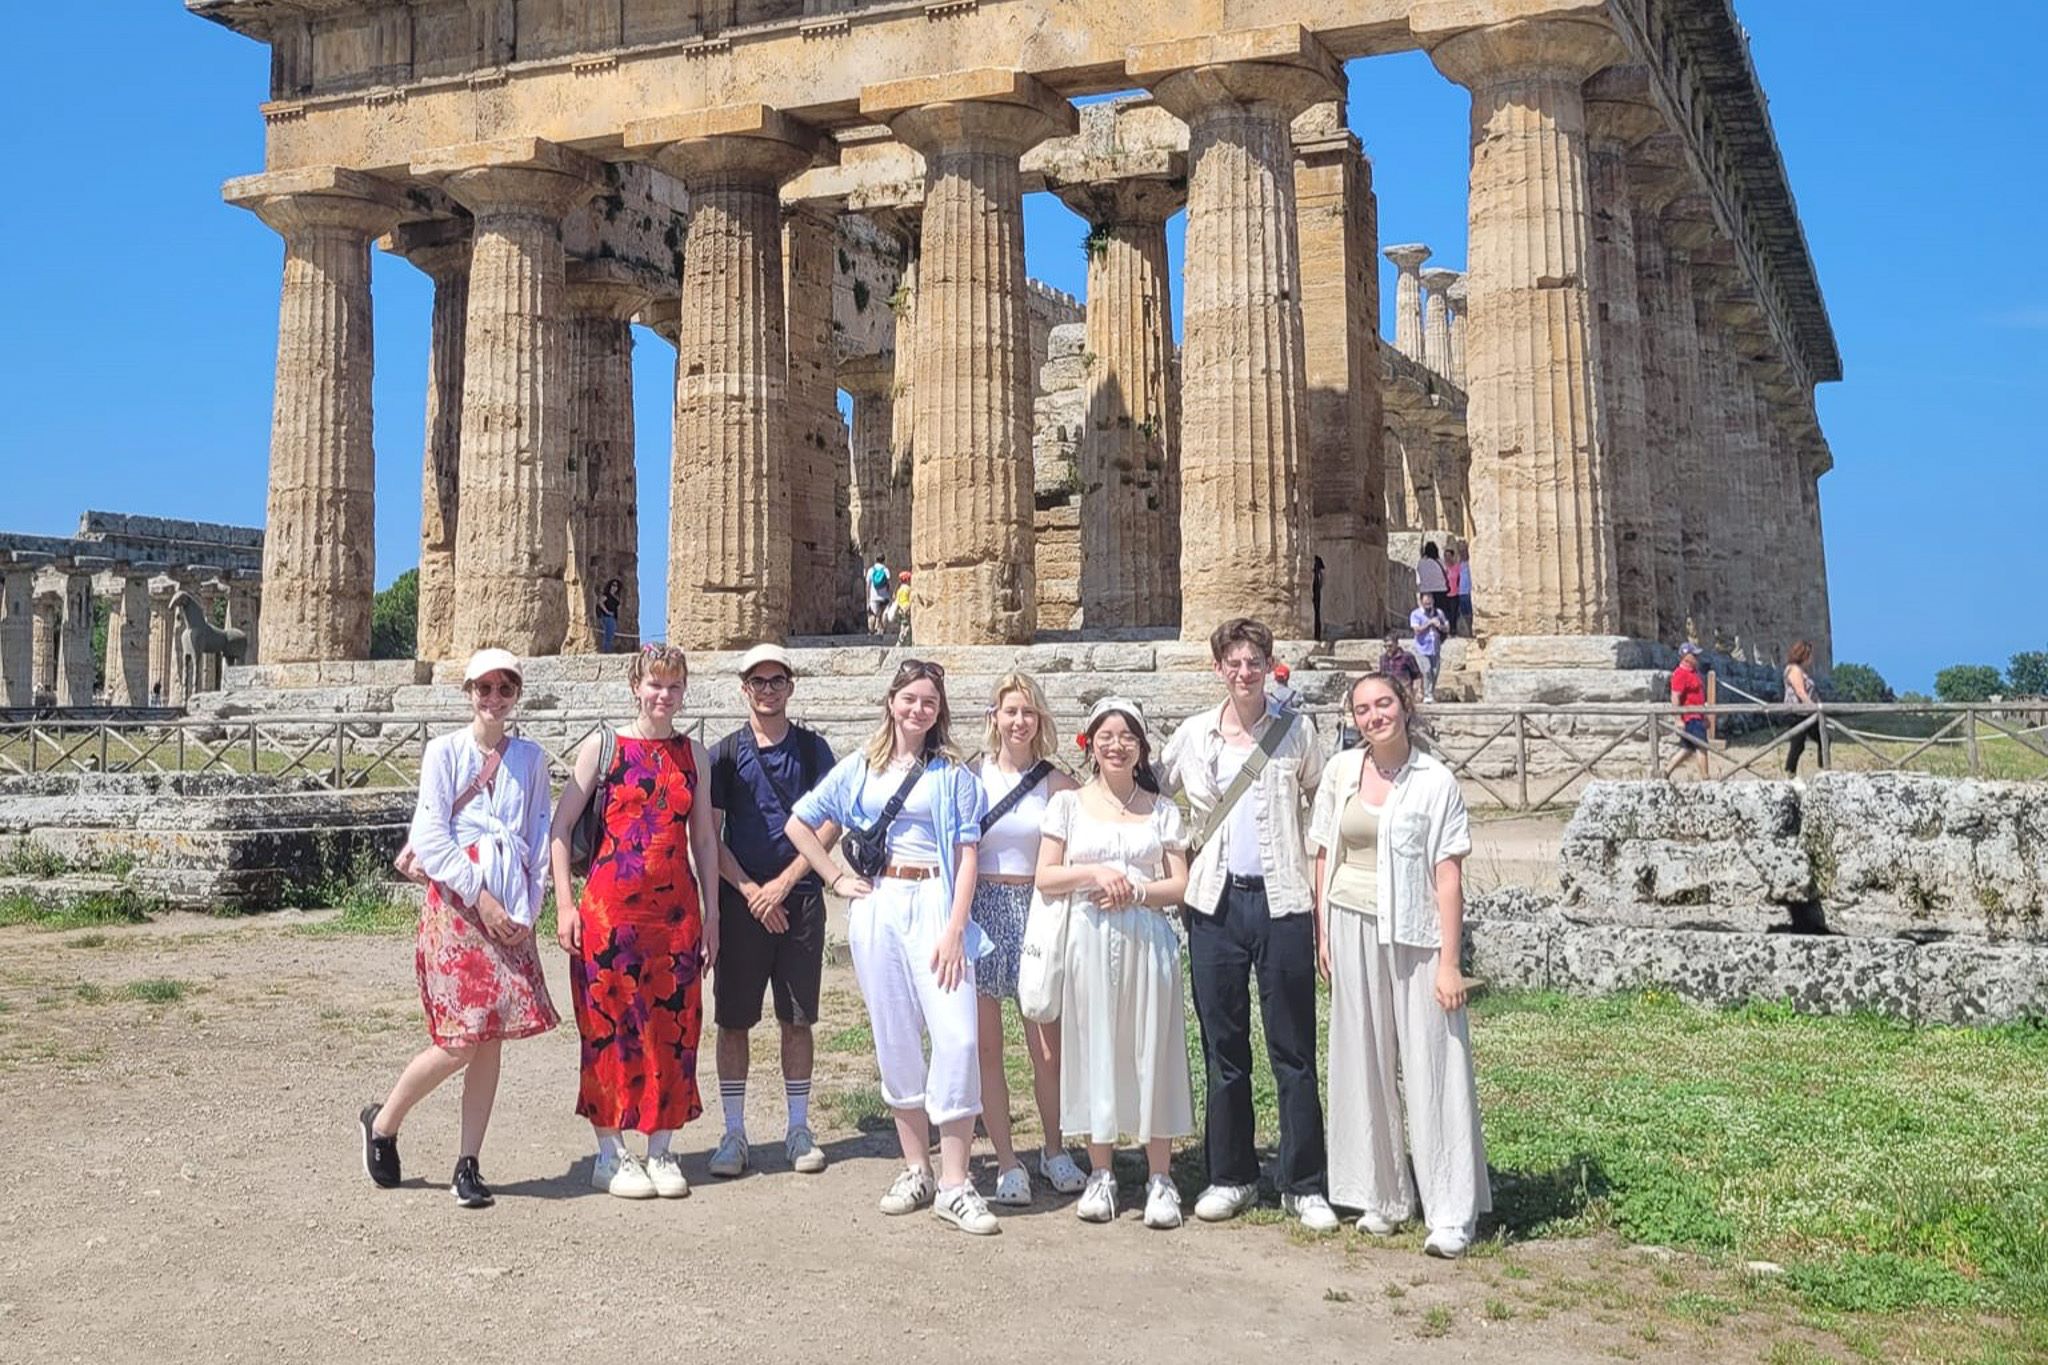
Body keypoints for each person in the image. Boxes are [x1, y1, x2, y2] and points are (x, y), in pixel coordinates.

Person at [785, 658, 999, 1235]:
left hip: (936, 902)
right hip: (878, 904)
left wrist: (956, 927)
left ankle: (956, 1182)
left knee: (957, 1037)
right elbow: (800, 824)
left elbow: (967, 855)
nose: (918, 709)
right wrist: (834, 877)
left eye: (929, 702)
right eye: (910, 699)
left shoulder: (953, 773)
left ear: (939, 711)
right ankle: (916, 1169)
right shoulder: (861, 767)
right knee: (895, 1036)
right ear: (891, 702)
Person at [360, 648, 558, 1210]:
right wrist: (482, 896)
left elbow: (539, 835)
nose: (494, 699)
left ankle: (469, 1163)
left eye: (505, 689)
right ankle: (384, 1122)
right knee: (460, 1040)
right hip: (457, 906)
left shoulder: (532, 759)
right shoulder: (444, 752)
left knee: (489, 1037)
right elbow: (430, 832)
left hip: (510, 912)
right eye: (484, 689)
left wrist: (530, 905)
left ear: (517, 695)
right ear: (469, 693)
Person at [1157, 618, 1338, 1232]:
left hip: (1284, 902)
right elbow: (1151, 800)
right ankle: (1230, 1175)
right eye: (1233, 663)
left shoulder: (1298, 733)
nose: (1243, 672)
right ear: (1218, 669)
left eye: (1253, 661)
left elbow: (1326, 802)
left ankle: (1303, 1182)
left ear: (1269, 665)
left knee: (1294, 1050)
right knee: (1223, 1048)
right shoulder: (1191, 735)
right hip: (1214, 905)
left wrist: (1324, 879)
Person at [1310, 670, 1489, 1257]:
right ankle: (1380, 1194)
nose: (1373, 716)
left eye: (1383, 703)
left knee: (1434, 1060)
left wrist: (1449, 961)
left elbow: (1448, 875)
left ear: (1405, 706)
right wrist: (1322, 932)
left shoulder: (1435, 781)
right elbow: (1323, 854)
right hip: (1350, 921)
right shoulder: (1340, 772)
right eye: (1362, 708)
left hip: (1414, 931)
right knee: (1362, 1059)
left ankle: (1451, 1210)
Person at [549, 644, 720, 1200]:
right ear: (635, 686)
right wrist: (565, 906)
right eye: (655, 684)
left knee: (674, 1028)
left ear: (684, 690)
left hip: (673, 916)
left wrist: (713, 913)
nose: (664, 695)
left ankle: (662, 1149)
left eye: (673, 686)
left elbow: (704, 841)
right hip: (607, 912)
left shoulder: (693, 753)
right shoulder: (604, 746)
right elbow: (560, 828)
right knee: (607, 1027)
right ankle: (610, 1152)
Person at [1035, 697, 1195, 1229]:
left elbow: (1180, 884)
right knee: (1094, 1044)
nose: (1116, 744)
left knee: (1153, 1048)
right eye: (1106, 735)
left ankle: (1159, 1177)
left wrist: (1137, 891)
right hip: (1088, 934)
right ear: (1091, 743)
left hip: (1147, 936)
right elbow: (1047, 876)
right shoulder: (1068, 805)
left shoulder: (1162, 809)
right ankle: (1101, 1171)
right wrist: (1096, 875)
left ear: (1140, 746)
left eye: (1127, 735)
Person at [707, 644, 838, 1179]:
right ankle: (734, 1132)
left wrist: (783, 884)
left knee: (796, 1019)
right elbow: (709, 835)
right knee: (733, 1020)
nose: (767, 690)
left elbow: (831, 821)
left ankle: (798, 1127)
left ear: (791, 686)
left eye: (776, 681)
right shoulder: (723, 753)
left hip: (799, 898)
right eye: (757, 682)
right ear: (744, 689)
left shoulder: (813, 750)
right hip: (742, 903)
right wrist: (750, 891)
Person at [968, 673, 1083, 1205]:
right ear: (994, 716)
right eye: (1010, 711)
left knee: (1046, 1049)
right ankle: (1007, 1162)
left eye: (1029, 712)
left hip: (1038, 909)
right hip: (982, 907)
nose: (1019, 721)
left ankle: (1054, 1149)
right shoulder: (970, 775)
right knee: (987, 1048)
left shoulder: (1057, 783)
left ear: (1040, 720)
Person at [1665, 642, 1712, 782]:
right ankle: (1705, 777)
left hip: (1697, 716)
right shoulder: (1680, 674)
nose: (1698, 657)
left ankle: (1666, 771)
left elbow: (1698, 695)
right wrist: (1678, 719)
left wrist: (1705, 716)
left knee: (1687, 749)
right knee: (1702, 746)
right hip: (1690, 718)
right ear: (1686, 657)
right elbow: (1675, 696)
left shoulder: (1693, 673)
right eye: (1695, 655)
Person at [1782, 639, 1825, 777]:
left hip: (1805, 713)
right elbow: (1801, 692)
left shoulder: (1800, 670)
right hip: (1798, 714)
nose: (1812, 659)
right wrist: (1815, 708)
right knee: (1798, 744)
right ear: (1804, 655)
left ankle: (1824, 769)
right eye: (1810, 655)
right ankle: (1790, 773)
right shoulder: (1794, 670)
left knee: (1823, 738)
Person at [1409, 592, 1450, 702]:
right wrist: (1429, 623)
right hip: (1422, 648)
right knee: (1426, 670)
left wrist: (1440, 626)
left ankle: (1430, 693)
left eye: (1430, 602)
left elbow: (1447, 627)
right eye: (1426, 602)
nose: (1428, 604)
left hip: (1435, 647)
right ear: (1421, 601)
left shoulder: (1438, 613)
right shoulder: (1416, 614)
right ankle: (1427, 694)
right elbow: (1417, 630)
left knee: (1435, 672)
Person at [1415, 541, 1449, 610]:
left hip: (1426, 590)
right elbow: (1446, 572)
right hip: (1440, 590)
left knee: (1428, 614)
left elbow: (1419, 571)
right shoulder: (1440, 562)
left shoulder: (1421, 562)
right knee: (1440, 613)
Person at [1443, 545, 1468, 638]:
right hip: (1445, 593)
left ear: (1453, 557)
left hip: (1455, 593)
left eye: (1449, 556)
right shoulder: (1443, 568)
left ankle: (1453, 631)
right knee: (1446, 613)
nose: (1447, 558)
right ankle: (1447, 631)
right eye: (1446, 556)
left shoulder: (1457, 567)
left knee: (1454, 613)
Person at [864, 557, 891, 636]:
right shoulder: (885, 570)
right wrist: (890, 593)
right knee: (882, 614)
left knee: (873, 614)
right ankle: (882, 630)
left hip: (873, 596)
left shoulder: (871, 570)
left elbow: (868, 585)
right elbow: (889, 583)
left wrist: (868, 597)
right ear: (884, 560)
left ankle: (871, 631)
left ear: (876, 560)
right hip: (884, 596)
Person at [598, 577, 624, 654]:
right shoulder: (607, 595)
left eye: (616, 586)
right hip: (607, 617)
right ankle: (607, 651)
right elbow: (600, 602)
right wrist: (607, 611)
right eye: (613, 585)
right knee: (608, 635)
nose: (615, 587)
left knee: (611, 635)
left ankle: (608, 650)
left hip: (613, 618)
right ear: (610, 586)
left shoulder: (615, 597)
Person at [891, 572, 914, 646]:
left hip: (900, 609)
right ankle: (901, 641)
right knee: (906, 627)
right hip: (906, 609)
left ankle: (905, 641)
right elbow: (910, 598)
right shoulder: (907, 588)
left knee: (903, 625)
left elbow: (897, 599)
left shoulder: (899, 589)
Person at [1312, 555, 1326, 641]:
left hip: (1315, 591)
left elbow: (1322, 577)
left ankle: (1317, 635)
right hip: (1314, 591)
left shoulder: (1317, 560)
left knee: (1316, 612)